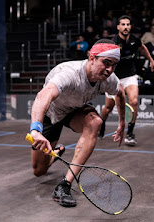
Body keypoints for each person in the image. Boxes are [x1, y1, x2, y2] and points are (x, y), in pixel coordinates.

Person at [29, 39, 126, 207]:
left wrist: (122, 122)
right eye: (106, 62)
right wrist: (36, 129)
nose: (110, 69)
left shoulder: (108, 79)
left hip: (75, 110)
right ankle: (56, 154)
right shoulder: (69, 73)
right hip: (51, 111)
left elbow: (120, 92)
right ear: (92, 57)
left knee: (95, 123)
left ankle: (65, 185)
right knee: (39, 171)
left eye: (114, 65)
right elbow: (43, 95)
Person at [99, 15, 154, 146]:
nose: (125, 27)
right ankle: (101, 124)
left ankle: (130, 134)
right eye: (123, 25)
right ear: (118, 27)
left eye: (128, 24)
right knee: (108, 108)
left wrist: (151, 60)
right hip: (114, 78)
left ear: (130, 26)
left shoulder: (135, 39)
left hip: (130, 76)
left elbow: (142, 48)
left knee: (134, 101)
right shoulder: (113, 42)